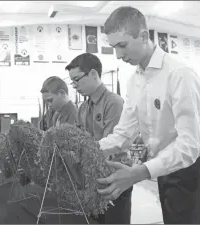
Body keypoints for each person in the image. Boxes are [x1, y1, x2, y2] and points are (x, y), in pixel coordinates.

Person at [96, 6, 200, 224]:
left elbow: (190, 144)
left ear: (144, 36)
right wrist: (90, 149)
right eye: (113, 48)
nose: (118, 55)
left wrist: (140, 172)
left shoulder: (179, 74)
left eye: (122, 45)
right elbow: (123, 134)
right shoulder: (134, 81)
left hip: (193, 169)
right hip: (163, 167)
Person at [65, 53, 133, 224]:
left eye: (77, 80)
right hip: (92, 180)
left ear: (94, 74)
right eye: (72, 82)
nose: (75, 86)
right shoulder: (82, 108)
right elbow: (80, 141)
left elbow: (113, 144)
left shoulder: (114, 103)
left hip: (115, 178)